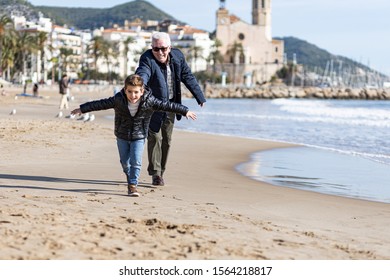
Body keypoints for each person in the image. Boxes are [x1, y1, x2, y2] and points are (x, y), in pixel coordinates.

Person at [70, 74, 197, 197]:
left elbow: (167, 105)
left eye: (136, 92)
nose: (133, 95)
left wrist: (184, 110)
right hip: (122, 135)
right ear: (125, 90)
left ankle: (132, 186)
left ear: (142, 91)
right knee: (125, 163)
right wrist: (82, 109)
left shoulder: (149, 101)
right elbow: (101, 104)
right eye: (130, 91)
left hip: (139, 135)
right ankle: (129, 175)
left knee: (136, 161)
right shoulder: (118, 99)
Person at [135, 32, 206, 186]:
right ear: (151, 48)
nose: (160, 52)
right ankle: (156, 174)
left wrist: (199, 96)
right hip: (152, 105)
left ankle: (161, 171)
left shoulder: (178, 57)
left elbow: (187, 75)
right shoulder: (147, 58)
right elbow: (143, 73)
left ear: (170, 47)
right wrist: (138, 86)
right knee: (155, 138)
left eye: (163, 49)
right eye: (156, 49)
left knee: (166, 140)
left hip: (171, 106)